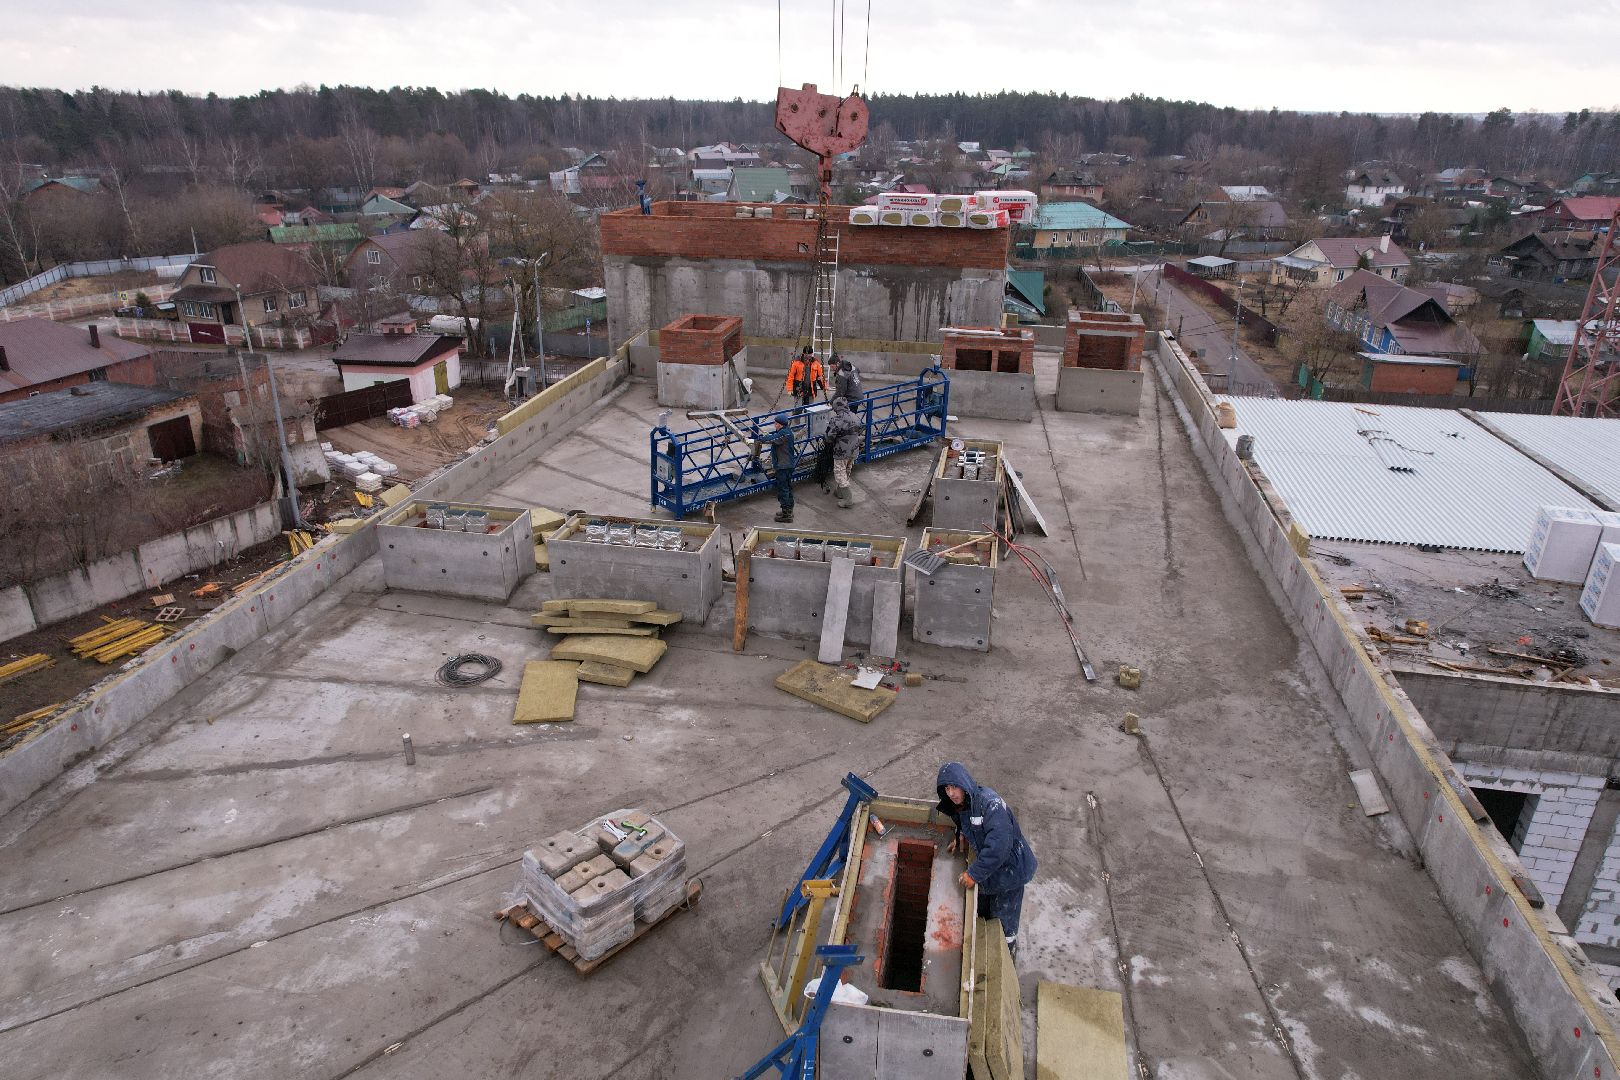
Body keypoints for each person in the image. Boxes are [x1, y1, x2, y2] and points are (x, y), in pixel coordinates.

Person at [936, 762, 1037, 957]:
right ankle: (984, 945)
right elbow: (970, 823)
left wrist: (973, 873)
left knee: (1003, 920)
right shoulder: (965, 804)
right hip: (993, 871)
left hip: (1012, 870)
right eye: (947, 789)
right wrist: (962, 837)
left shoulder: (990, 804)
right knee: (982, 910)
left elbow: (999, 847)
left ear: (964, 783)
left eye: (954, 787)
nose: (951, 793)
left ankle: (1006, 954)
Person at [824, 396, 862, 509]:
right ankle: (840, 492)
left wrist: (824, 435)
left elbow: (829, 438)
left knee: (840, 474)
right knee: (847, 470)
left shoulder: (836, 420)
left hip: (841, 451)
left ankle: (848, 499)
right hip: (854, 449)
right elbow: (860, 429)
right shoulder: (855, 416)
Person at [764, 411, 797, 523]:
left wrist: (756, 439)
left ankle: (786, 514)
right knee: (788, 487)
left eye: (775, 423)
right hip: (788, 464)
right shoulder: (787, 432)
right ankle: (788, 510)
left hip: (783, 466)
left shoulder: (783, 434)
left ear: (780, 424)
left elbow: (772, 439)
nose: (774, 425)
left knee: (783, 489)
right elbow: (774, 437)